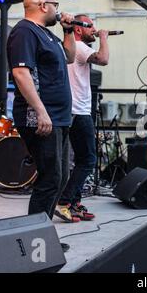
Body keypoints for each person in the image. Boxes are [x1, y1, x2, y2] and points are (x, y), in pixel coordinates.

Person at [7, 0, 76, 232]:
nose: (58, 9)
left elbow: (69, 56)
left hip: (59, 117)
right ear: (42, 5)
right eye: (55, 4)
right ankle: (35, 239)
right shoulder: (24, 32)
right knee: (50, 178)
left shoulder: (47, 34)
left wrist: (68, 31)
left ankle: (43, 236)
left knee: (60, 177)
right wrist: (41, 111)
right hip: (40, 117)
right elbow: (20, 73)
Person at [54, 14, 110, 222]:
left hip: (73, 110)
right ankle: (64, 201)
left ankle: (74, 204)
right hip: (79, 111)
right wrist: (104, 37)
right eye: (90, 26)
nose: (94, 29)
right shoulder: (79, 47)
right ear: (78, 30)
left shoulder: (72, 47)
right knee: (88, 160)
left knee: (79, 160)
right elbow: (103, 59)